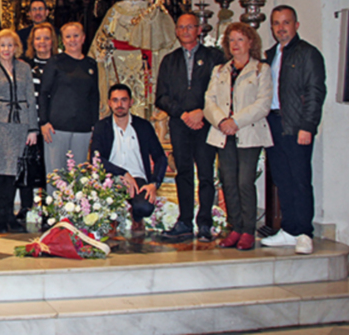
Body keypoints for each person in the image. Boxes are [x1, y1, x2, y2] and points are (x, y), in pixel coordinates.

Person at [260, 6, 326, 255]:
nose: (281, 28)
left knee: (299, 180)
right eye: (276, 23)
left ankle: (304, 232)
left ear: (296, 25)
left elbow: (315, 92)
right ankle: (288, 229)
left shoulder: (308, 54)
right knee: (281, 179)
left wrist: (307, 126)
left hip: (296, 125)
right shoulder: (270, 55)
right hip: (274, 124)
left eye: (286, 22)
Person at [155, 13, 224, 243]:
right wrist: (183, 114)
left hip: (206, 124)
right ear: (176, 31)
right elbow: (161, 97)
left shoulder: (214, 57)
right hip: (179, 124)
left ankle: (205, 222)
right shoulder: (169, 60)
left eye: (190, 27)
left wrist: (201, 111)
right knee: (183, 173)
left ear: (198, 30)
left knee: (206, 174)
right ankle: (184, 221)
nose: (185, 31)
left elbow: (221, 91)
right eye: (181, 27)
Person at [204, 22, 273, 251]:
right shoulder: (220, 70)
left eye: (240, 39)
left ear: (250, 42)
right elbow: (209, 101)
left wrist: (236, 121)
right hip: (224, 133)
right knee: (228, 181)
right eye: (231, 40)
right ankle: (235, 227)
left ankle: (247, 231)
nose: (235, 44)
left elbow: (263, 104)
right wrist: (222, 121)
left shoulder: (261, 70)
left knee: (244, 182)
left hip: (248, 132)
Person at [0, 29, 39, 232]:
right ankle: (1, 215)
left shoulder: (24, 68)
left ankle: (10, 215)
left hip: (20, 126)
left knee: (14, 171)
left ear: (16, 47)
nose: (6, 49)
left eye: (10, 45)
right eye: (2, 45)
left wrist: (33, 128)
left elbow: (31, 99)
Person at [90, 0, 177, 118]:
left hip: (142, 57)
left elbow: (159, 35)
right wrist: (102, 51)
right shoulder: (116, 9)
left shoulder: (149, 8)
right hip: (119, 59)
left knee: (142, 91)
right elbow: (104, 34)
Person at [91, 84, 167, 230]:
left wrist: (154, 183)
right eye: (115, 100)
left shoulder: (143, 126)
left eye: (124, 100)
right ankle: (111, 220)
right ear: (109, 103)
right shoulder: (102, 126)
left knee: (145, 207)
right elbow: (96, 159)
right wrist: (122, 173)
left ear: (131, 102)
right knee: (98, 204)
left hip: (138, 179)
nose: (119, 105)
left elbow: (160, 157)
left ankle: (136, 217)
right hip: (111, 178)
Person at [39, 22, 99, 182]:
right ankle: (55, 207)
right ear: (62, 41)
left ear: (84, 38)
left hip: (83, 128)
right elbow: (44, 93)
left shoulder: (91, 64)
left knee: (78, 178)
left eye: (76, 35)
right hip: (56, 128)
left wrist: (95, 124)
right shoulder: (55, 62)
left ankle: (78, 207)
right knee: (56, 176)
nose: (73, 40)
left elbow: (94, 96)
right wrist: (44, 121)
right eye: (68, 36)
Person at [20, 21, 57, 217]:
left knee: (49, 167)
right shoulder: (25, 65)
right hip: (29, 122)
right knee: (26, 164)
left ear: (53, 41)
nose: (42, 42)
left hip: (53, 124)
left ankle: (49, 207)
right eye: (38, 38)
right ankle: (26, 207)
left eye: (46, 38)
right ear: (32, 42)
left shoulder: (60, 64)